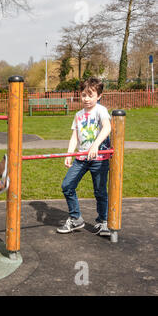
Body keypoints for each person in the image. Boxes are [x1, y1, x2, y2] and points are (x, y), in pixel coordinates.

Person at [57, 77, 112, 236]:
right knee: (67, 186)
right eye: (83, 95)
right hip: (81, 159)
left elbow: (107, 127)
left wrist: (95, 145)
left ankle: (103, 221)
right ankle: (76, 219)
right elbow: (75, 136)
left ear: (99, 96)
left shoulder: (100, 110)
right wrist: (69, 153)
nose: (86, 99)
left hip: (99, 160)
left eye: (90, 95)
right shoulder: (78, 115)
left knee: (100, 192)